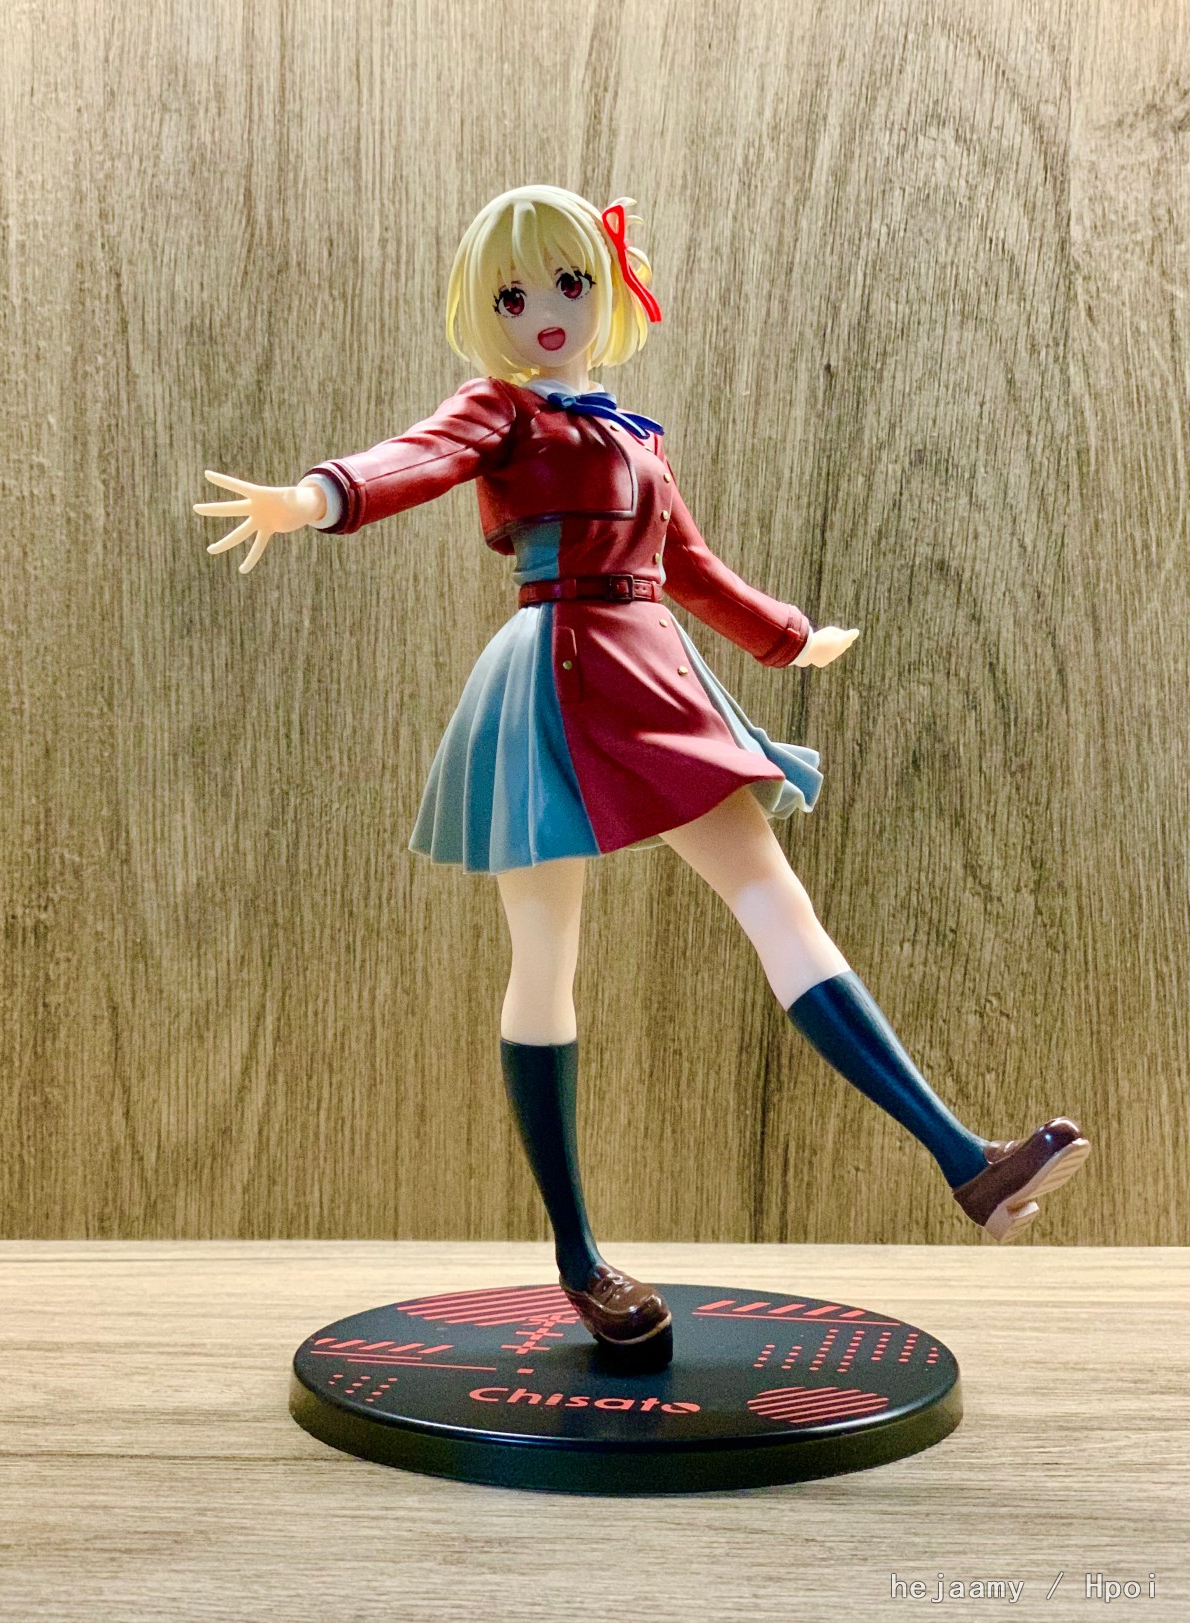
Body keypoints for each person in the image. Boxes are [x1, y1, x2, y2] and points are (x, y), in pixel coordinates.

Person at [196, 184, 1090, 1367]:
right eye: (513, 294)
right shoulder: (499, 410)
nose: (545, 310)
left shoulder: (637, 437)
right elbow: (418, 457)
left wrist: (788, 638)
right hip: (550, 682)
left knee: (778, 904)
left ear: (609, 289)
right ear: (483, 310)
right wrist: (317, 496)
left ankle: (965, 1161)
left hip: (655, 671)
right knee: (545, 959)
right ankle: (579, 1257)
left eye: (570, 282)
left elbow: (692, 565)